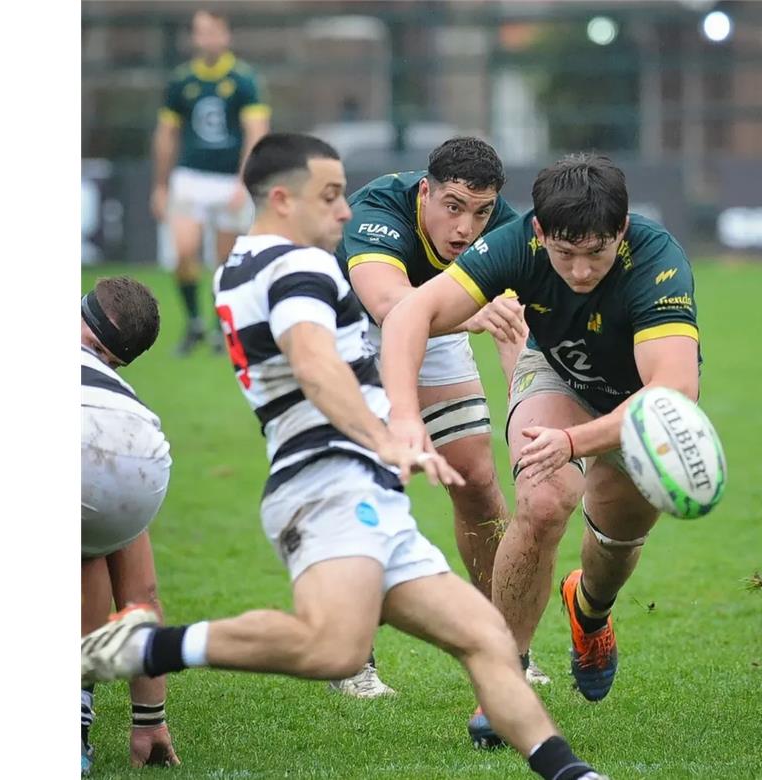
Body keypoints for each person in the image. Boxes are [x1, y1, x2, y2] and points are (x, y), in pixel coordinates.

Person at [81, 133, 608, 780]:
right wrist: (387, 436)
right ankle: (151, 644)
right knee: (335, 648)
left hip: (362, 492)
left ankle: (572, 773)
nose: (344, 211)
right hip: (330, 484)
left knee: (488, 637)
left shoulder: (248, 262)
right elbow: (314, 360)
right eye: (330, 196)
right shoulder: (296, 266)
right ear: (281, 198)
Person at [379, 153, 702, 742]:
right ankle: (506, 680)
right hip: (556, 375)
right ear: (539, 233)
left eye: (596, 253)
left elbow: (672, 391)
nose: (579, 270)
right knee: (544, 499)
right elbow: (411, 314)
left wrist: (575, 441)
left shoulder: (657, 261)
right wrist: (404, 415)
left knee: (615, 544)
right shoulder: (516, 244)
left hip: (640, 402)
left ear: (622, 231)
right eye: (564, 253)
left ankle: (589, 609)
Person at [328, 136, 547, 698]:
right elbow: (392, 309)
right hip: (349, 336)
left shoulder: (504, 227)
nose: (466, 228)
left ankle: (504, 643)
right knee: (361, 487)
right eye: (452, 206)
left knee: (476, 479)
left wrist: (528, 422)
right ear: (425, 191)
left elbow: (515, 329)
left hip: (443, 320)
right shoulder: (379, 211)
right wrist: (475, 311)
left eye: (480, 212)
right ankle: (349, 657)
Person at [80, 277, 180, 773]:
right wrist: (150, 720)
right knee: (91, 555)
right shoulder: (125, 395)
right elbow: (142, 595)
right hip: (142, 450)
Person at [151, 8, 271, 355]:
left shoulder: (243, 80)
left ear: (226, 35)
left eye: (213, 32)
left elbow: (256, 131)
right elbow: (167, 133)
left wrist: (243, 180)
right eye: (201, 32)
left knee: (223, 262)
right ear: (194, 37)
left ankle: (221, 327)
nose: (208, 39)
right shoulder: (181, 81)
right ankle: (193, 323)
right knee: (184, 253)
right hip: (190, 177)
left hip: (228, 181)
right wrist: (160, 184)